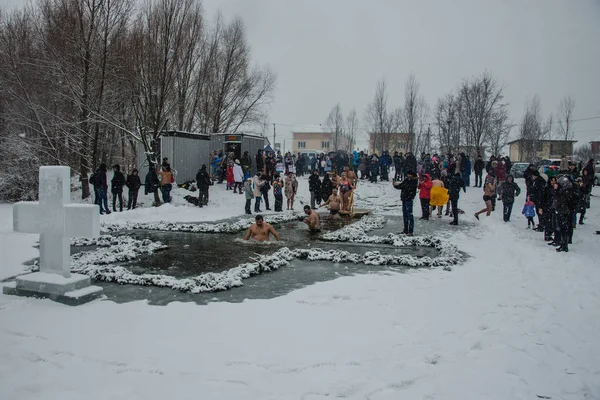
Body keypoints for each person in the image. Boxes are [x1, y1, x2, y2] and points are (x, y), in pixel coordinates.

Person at [393, 170, 418, 236]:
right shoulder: (407, 180)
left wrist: (402, 186)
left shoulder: (414, 181)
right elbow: (401, 186)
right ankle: (406, 229)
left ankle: (410, 231)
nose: (408, 175)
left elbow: (407, 187)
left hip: (409, 199)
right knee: (405, 215)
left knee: (409, 215)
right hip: (404, 198)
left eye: (409, 174)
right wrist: (395, 185)